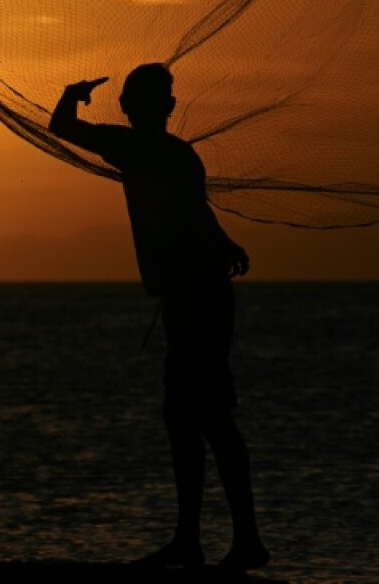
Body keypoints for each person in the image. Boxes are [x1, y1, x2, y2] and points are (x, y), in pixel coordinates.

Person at [49, 63, 269, 573]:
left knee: (208, 416)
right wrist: (224, 243)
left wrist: (71, 94)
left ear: (130, 107)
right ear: (167, 108)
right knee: (187, 416)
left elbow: (62, 128)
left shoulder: (135, 147)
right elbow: (198, 212)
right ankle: (193, 540)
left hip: (195, 298)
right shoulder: (176, 154)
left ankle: (241, 541)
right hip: (197, 294)